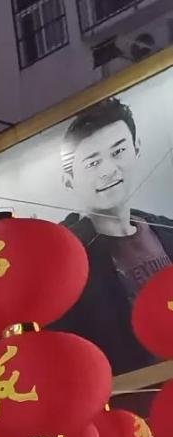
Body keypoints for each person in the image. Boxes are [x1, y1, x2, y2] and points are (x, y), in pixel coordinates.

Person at [56, 96, 173, 379]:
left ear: (136, 149)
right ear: (69, 180)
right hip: (130, 409)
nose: (109, 170)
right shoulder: (65, 262)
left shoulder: (168, 231)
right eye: (93, 163)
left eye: (118, 152)